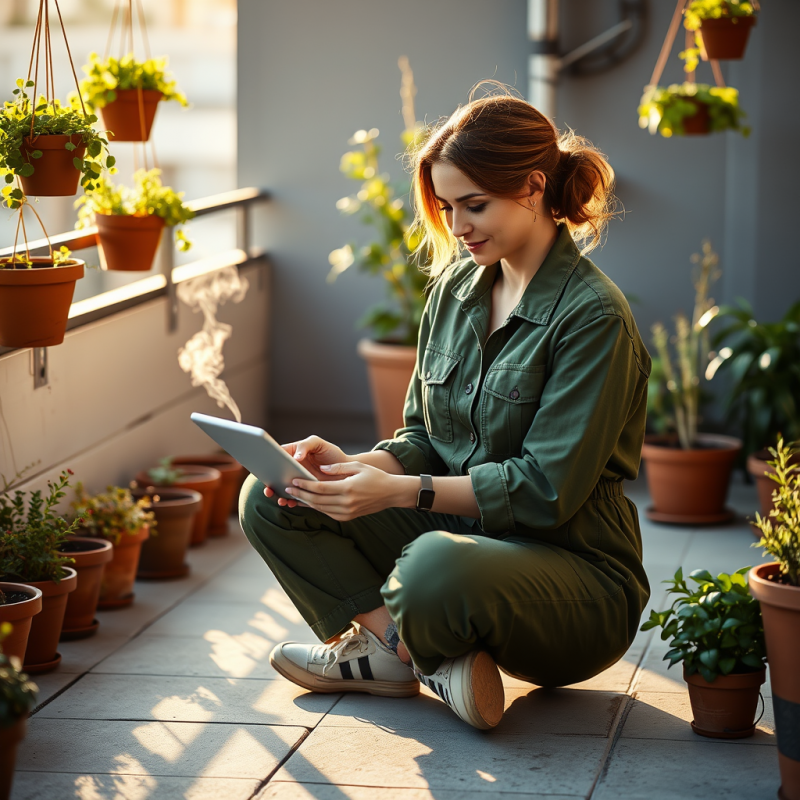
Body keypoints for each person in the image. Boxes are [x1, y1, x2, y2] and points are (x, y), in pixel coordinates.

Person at [240, 89, 651, 731]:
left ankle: (403, 650)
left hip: (576, 580)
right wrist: (354, 467)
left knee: (432, 564)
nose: (457, 227)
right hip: (468, 546)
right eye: (447, 207)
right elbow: (423, 438)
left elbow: (544, 492)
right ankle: (401, 653)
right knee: (273, 495)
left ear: (534, 186)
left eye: (474, 205)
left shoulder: (593, 317)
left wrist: (398, 491)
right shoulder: (456, 291)